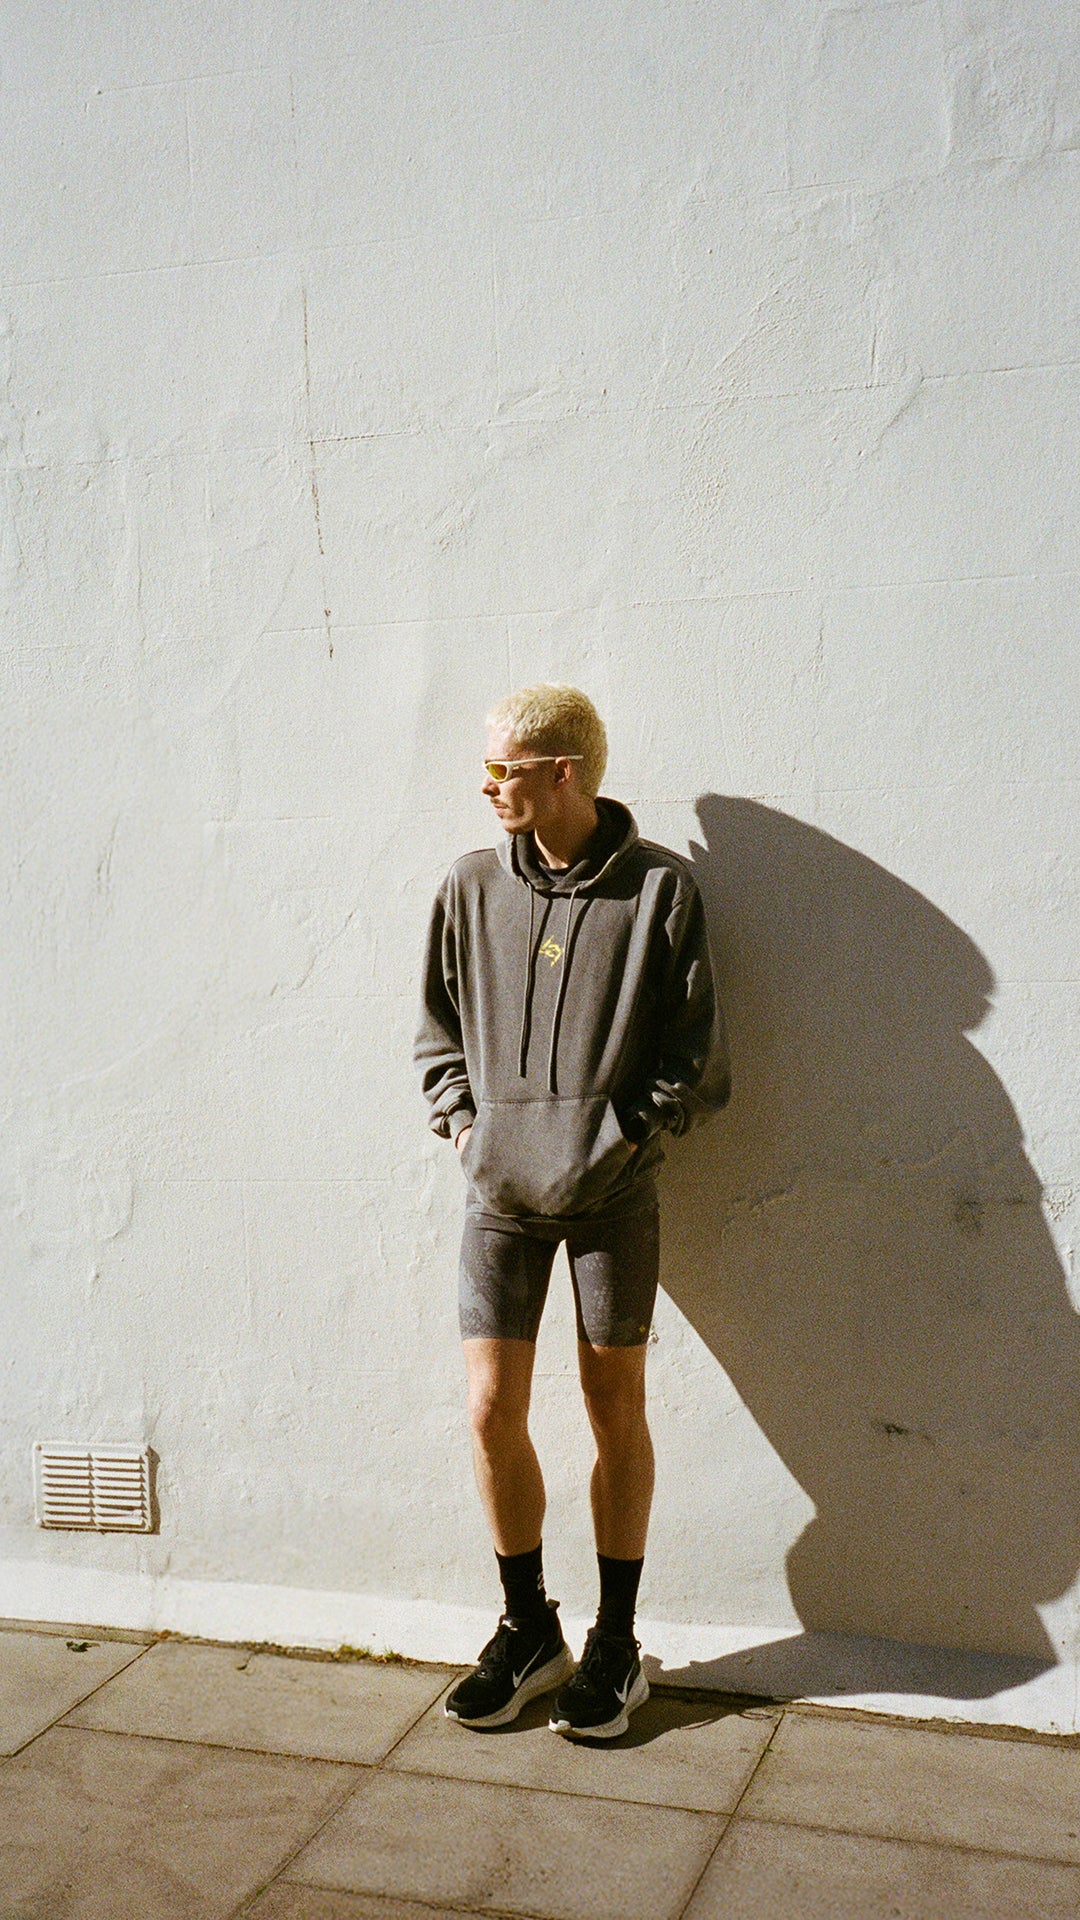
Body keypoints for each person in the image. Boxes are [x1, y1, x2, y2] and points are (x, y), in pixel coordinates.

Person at [414, 683, 730, 1738]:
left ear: (563, 774)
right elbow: (436, 1030)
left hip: (611, 1203)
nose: (487, 787)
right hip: (499, 1200)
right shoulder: (469, 885)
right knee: (489, 1409)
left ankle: (616, 1642)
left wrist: (622, 1135)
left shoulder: (659, 892)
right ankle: (527, 1630)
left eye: (502, 769)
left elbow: (695, 1056)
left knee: (613, 1410)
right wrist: (468, 1127)